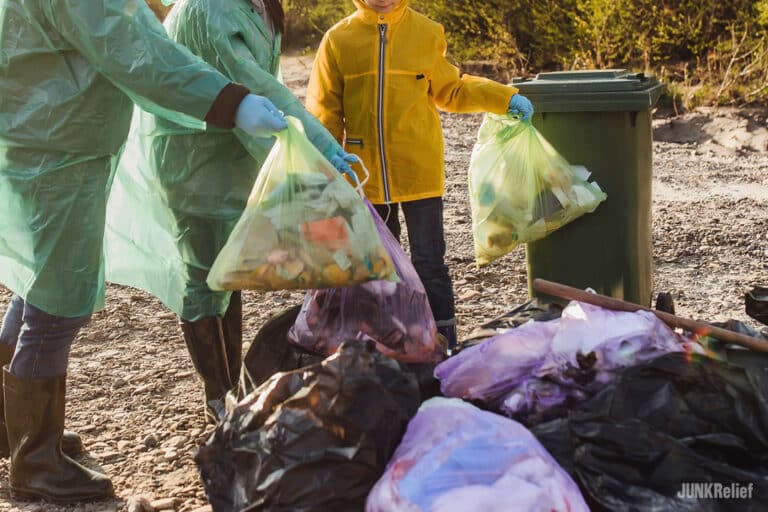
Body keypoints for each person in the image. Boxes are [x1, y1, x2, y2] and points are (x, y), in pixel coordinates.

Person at [0, 0, 290, 503]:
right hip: (58, 150)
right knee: (54, 306)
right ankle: (36, 461)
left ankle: (15, 431)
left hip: (45, 139)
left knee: (35, 290)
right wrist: (231, 102)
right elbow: (138, 53)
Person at [104, 0, 357, 425]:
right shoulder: (210, 9)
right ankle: (217, 394)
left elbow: (263, 82)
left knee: (227, 269)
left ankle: (234, 386)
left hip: (231, 154)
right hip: (194, 158)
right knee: (202, 275)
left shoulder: (256, 6)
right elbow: (256, 83)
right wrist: (317, 142)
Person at [306, 0, 534, 349]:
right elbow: (325, 110)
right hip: (364, 177)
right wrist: (327, 160)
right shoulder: (338, 39)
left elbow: (452, 89)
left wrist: (503, 98)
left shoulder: (427, 33)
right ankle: (393, 345)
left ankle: (445, 342)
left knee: (430, 263)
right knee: (380, 269)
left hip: (420, 173)